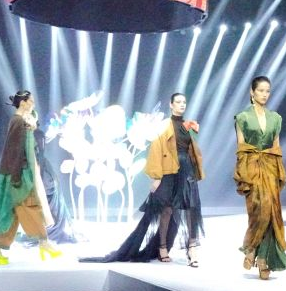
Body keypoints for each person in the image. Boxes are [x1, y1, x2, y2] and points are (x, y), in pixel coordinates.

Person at [81, 93, 204, 265]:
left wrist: (196, 169)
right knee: (166, 210)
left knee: (191, 208)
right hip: (169, 171)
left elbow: (194, 150)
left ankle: (192, 248)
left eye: (184, 102)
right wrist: (156, 176)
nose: (182, 104)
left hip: (186, 170)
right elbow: (156, 149)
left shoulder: (189, 125)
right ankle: (162, 247)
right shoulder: (164, 125)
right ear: (171, 104)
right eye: (178, 102)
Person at [0, 90, 61, 265]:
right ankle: (44, 243)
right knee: (29, 205)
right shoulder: (17, 121)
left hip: (25, 170)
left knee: (12, 212)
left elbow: (33, 121)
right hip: (18, 173)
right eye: (31, 101)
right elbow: (12, 150)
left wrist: (32, 124)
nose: (33, 104)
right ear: (23, 103)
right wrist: (15, 175)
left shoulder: (25, 121)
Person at [234, 76, 286, 280]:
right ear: (252, 92)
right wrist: (242, 174)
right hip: (251, 168)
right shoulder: (242, 117)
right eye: (260, 90)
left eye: (267, 91)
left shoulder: (275, 118)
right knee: (257, 212)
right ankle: (251, 247)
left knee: (271, 212)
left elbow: (276, 147)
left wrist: (279, 171)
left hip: (269, 168)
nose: (264, 94)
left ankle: (262, 260)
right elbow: (241, 147)